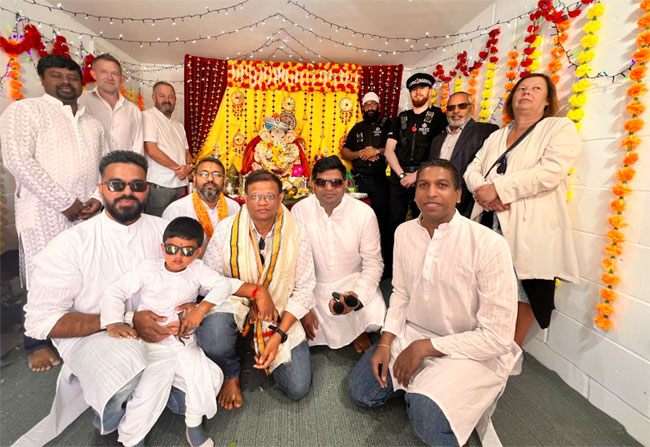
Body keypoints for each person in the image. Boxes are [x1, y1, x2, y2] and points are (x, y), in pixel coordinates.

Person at [347, 159, 519, 446]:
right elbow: (401, 293)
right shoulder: (404, 232)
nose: (431, 193)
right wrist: (387, 343)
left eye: (442, 185)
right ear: (415, 193)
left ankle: (431, 394)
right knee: (361, 392)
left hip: (469, 348)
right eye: (423, 185)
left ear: (458, 194)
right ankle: (427, 387)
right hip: (413, 332)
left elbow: (497, 338)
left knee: (426, 417)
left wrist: (424, 348)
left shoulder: (488, 244)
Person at [18, 151, 168, 446]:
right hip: (93, 335)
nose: (127, 192)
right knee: (127, 364)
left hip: (159, 328)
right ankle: (108, 424)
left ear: (147, 190)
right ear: (101, 189)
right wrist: (123, 320)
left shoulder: (163, 232)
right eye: (116, 185)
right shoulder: (71, 244)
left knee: (192, 390)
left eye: (137, 185)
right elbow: (40, 322)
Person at [101, 216, 270, 447]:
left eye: (187, 251)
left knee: (209, 378)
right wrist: (114, 323)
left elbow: (222, 284)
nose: (178, 256)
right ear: (163, 247)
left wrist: (201, 310)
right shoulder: (148, 269)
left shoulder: (197, 270)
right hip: (152, 345)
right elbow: (115, 291)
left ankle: (193, 425)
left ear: (198, 252)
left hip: (184, 343)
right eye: (172, 249)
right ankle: (133, 438)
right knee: (147, 391)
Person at [0, 54, 106, 373]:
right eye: (57, 76)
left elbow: (106, 165)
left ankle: (77, 330)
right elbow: (17, 160)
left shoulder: (92, 123)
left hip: (87, 213)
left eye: (72, 77)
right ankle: (37, 341)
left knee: (84, 272)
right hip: (42, 212)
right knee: (42, 274)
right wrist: (64, 202)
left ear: (81, 82)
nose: (65, 82)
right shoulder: (25, 111)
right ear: (43, 80)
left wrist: (96, 198)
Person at [464, 73, 581, 349]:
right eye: (522, 88)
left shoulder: (559, 127)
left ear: (547, 101)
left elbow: (549, 172)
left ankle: (508, 352)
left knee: (524, 289)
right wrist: (484, 191)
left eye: (536, 88)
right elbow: (472, 169)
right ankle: (484, 339)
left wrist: (498, 188)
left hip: (531, 224)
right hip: (489, 218)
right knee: (486, 283)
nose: (526, 92)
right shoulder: (497, 135)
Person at [197, 170, 315, 410]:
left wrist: (278, 335)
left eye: (269, 196)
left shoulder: (297, 232)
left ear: (281, 198)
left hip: (278, 310)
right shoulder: (226, 229)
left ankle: (252, 341)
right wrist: (256, 291)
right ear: (245, 198)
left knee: (297, 387)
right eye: (255, 196)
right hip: (234, 302)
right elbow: (209, 279)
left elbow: (304, 289)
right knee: (214, 336)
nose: (262, 202)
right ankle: (231, 372)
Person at [292, 156, 386, 354]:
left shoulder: (363, 213)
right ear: (312, 185)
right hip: (314, 285)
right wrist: (305, 306)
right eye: (322, 182)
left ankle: (357, 327)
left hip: (353, 281)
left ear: (345, 185)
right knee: (306, 319)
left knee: (374, 316)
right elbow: (296, 263)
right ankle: (353, 330)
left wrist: (357, 296)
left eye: (335, 182)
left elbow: (373, 263)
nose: (329, 188)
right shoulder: (300, 210)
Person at [384, 73, 447, 276]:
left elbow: (441, 150)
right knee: (395, 222)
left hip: (426, 179)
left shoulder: (439, 117)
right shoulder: (401, 118)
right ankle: (394, 269)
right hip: (399, 178)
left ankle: (424, 267)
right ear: (410, 93)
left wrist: (417, 176)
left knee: (427, 221)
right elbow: (389, 151)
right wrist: (403, 175)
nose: (418, 92)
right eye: (414, 89)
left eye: (422, 88)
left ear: (430, 91)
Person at [340, 92, 392, 276]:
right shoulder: (357, 128)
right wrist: (361, 153)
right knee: (358, 223)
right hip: (360, 182)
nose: (370, 107)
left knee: (383, 222)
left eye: (373, 104)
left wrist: (376, 151)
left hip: (381, 181)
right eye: (367, 105)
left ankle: (386, 267)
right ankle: (358, 265)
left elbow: (396, 147)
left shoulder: (388, 125)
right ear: (363, 108)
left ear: (378, 106)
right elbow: (345, 152)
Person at [429, 91, 498, 217]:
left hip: (469, 204)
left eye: (462, 106)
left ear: (472, 108)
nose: (456, 111)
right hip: (437, 201)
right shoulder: (437, 139)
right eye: (451, 108)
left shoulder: (486, 131)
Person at [163, 157, 240, 249]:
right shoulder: (176, 210)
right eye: (204, 174)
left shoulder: (234, 207)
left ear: (224, 181)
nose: (210, 179)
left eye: (217, 175)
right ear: (194, 179)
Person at [143, 81, 192, 216]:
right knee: (158, 223)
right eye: (162, 96)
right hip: (160, 185)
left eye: (170, 97)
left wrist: (189, 167)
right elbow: (152, 150)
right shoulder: (148, 116)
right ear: (154, 98)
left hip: (180, 184)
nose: (167, 100)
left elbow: (186, 151)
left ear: (175, 99)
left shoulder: (178, 125)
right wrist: (179, 168)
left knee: (178, 223)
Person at [78, 53, 144, 154]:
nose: (110, 77)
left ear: (121, 79)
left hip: (124, 164)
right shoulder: (80, 100)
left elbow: (138, 148)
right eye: (103, 72)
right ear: (93, 74)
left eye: (115, 73)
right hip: (91, 164)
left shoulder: (133, 110)